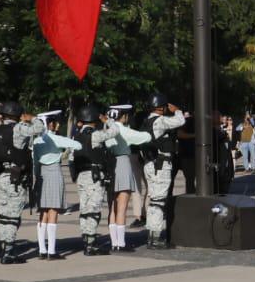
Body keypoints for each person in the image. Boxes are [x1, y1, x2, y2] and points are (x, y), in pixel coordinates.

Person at [0, 101, 45, 264]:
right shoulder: (18, 128)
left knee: (3, 215)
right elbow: (40, 129)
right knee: (13, 216)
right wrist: (33, 118)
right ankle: (9, 252)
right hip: (15, 178)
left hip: (0, 176)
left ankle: (4, 246)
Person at [65, 104, 116, 256]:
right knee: (94, 208)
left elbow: (72, 158)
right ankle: (91, 243)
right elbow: (115, 131)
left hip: (81, 175)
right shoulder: (95, 135)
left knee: (85, 208)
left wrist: (74, 175)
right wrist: (108, 120)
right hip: (94, 176)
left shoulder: (76, 136)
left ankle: (86, 238)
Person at [29, 112, 79, 261]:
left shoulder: (37, 141)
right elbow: (77, 144)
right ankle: (51, 250)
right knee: (53, 211)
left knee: (43, 212)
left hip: (42, 174)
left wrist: (37, 178)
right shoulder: (55, 138)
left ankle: (42, 249)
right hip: (54, 173)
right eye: (55, 122)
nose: (57, 124)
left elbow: (35, 164)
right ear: (49, 124)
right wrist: (64, 151)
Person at [140, 94, 187, 248]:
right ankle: (155, 238)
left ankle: (152, 235)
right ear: (161, 107)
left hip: (150, 164)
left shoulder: (147, 120)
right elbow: (180, 121)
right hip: (160, 165)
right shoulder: (160, 121)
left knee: (154, 200)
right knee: (159, 201)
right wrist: (177, 110)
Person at [103, 104, 149, 250]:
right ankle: (121, 243)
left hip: (109, 164)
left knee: (112, 207)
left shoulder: (106, 129)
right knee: (122, 206)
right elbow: (145, 137)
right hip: (122, 163)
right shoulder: (123, 129)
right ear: (124, 116)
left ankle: (114, 242)